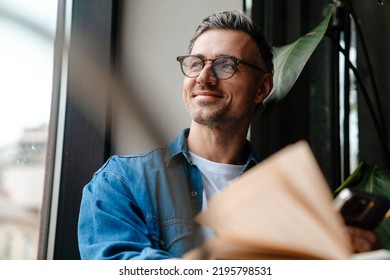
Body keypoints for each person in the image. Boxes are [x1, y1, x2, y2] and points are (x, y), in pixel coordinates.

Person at [78, 10, 379, 260]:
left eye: (226, 65)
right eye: (196, 63)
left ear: (261, 88)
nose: (204, 77)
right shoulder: (121, 181)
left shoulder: (290, 200)